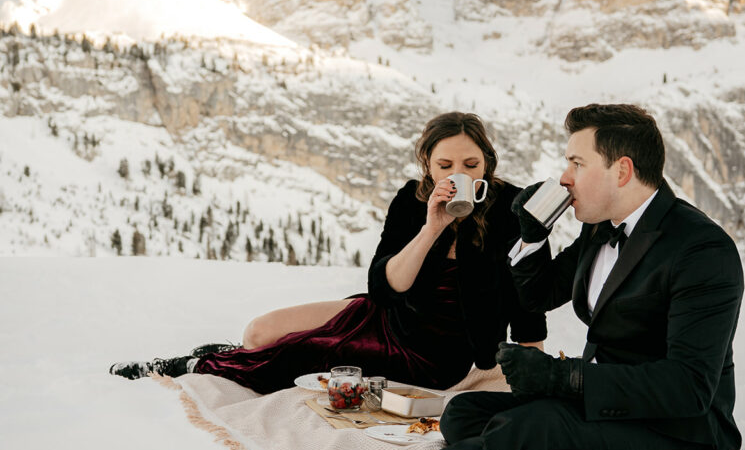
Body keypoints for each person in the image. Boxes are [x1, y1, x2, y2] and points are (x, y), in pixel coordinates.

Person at [239, 104, 744, 450]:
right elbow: (540, 292)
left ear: (622, 170)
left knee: (533, 429)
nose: (563, 178)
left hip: (680, 433)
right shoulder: (602, 228)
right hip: (610, 406)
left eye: (576, 162)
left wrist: (562, 378)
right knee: (464, 415)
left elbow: (689, 388)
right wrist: (530, 236)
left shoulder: (701, 251)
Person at [110, 112, 546, 393]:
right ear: (427, 166)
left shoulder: (511, 206)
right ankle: (243, 353)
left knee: (299, 355)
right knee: (260, 331)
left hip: (433, 357)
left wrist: (534, 367)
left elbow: (530, 295)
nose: (458, 174)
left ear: (486, 162)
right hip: (385, 315)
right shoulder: (412, 200)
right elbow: (385, 286)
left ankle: (190, 366)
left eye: (471, 165)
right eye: (445, 166)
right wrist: (431, 228)